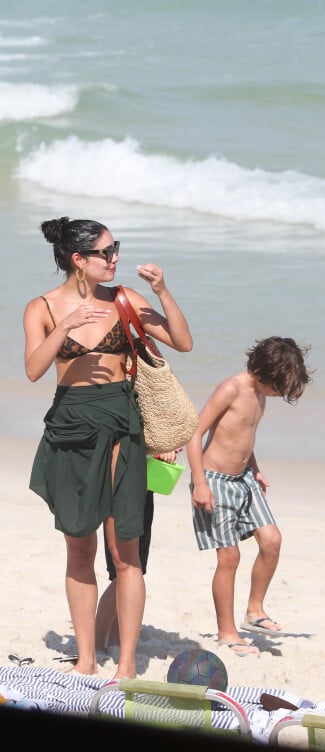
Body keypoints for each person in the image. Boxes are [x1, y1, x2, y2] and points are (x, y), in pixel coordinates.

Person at [24, 217, 192, 678]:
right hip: (71, 426)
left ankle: (127, 665)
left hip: (121, 423)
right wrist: (67, 326)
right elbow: (35, 369)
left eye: (116, 247)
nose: (114, 257)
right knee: (79, 550)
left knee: (125, 553)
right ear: (78, 260)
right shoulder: (41, 307)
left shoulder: (124, 299)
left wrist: (162, 291)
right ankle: (84, 659)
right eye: (106, 251)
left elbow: (183, 341)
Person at [187, 336, 313, 657]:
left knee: (272, 540)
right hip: (214, 481)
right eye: (278, 386)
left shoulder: (261, 394)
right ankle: (227, 632)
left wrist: (254, 468)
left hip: (245, 479)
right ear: (262, 370)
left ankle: (254, 611)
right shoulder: (232, 388)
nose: (280, 393)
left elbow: (244, 436)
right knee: (229, 558)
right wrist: (199, 482)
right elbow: (195, 433)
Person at [95, 451, 176, 650]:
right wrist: (158, 447)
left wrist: (163, 443)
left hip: (141, 480)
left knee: (134, 568)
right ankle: (96, 643)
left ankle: (115, 640)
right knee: (124, 572)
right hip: (121, 476)